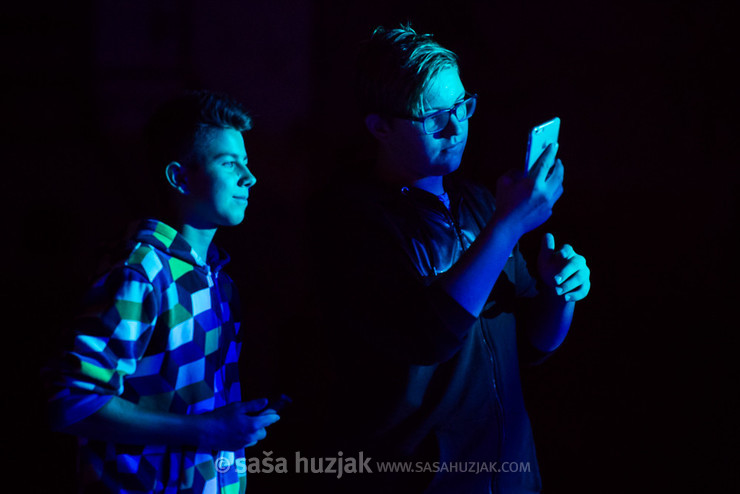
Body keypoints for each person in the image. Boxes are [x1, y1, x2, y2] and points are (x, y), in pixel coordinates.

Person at [311, 25, 591, 493]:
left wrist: (560, 294)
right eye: (434, 115)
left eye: (463, 105)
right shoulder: (349, 221)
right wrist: (507, 227)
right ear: (380, 127)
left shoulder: (479, 202)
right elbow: (427, 336)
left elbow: (530, 348)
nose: (456, 125)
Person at [44, 90, 280, 493]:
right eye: (229, 163)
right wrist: (204, 431)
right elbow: (69, 402)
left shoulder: (216, 276)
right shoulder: (141, 270)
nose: (249, 177)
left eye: (246, 161)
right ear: (179, 177)